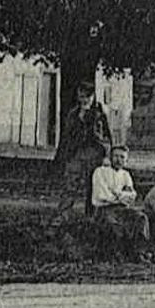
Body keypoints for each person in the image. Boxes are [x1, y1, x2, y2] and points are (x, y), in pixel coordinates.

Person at [57, 80, 112, 215]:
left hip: (94, 152)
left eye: (88, 96)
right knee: (70, 184)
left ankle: (91, 216)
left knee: (93, 186)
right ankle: (64, 214)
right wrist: (67, 154)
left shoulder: (99, 114)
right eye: (82, 96)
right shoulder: (73, 114)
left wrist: (106, 154)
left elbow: (107, 135)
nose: (85, 100)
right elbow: (67, 135)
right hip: (76, 153)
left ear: (93, 97)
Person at [90, 146, 149, 260]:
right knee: (114, 225)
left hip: (122, 209)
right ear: (110, 157)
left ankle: (138, 253)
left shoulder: (125, 175)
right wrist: (121, 195)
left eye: (122, 157)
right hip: (104, 209)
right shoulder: (100, 172)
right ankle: (116, 255)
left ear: (126, 160)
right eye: (116, 156)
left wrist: (116, 194)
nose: (118, 160)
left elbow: (132, 195)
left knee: (141, 218)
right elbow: (102, 195)